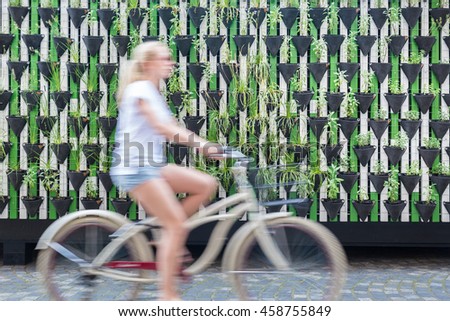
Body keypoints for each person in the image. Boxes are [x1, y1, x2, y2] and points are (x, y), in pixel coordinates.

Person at [110, 41, 221, 300]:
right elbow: (163, 128)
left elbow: (171, 125)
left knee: (205, 184)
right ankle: (168, 297)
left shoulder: (152, 90)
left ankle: (165, 237)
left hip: (152, 166)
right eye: (164, 58)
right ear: (148, 63)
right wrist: (202, 145)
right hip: (136, 168)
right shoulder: (139, 89)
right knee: (176, 227)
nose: (170, 63)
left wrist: (209, 145)